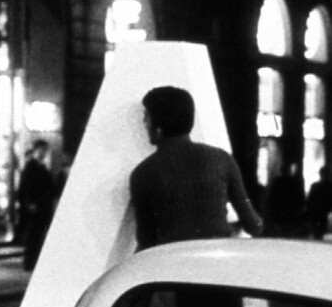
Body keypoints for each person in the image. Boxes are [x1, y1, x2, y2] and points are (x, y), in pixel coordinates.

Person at [130, 85, 263, 251]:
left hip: (171, 264)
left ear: (158, 125)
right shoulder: (222, 159)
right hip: (216, 260)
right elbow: (254, 225)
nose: (144, 122)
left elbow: (146, 240)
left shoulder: (143, 174)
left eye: (147, 116)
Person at [17, 139, 55, 270]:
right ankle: (29, 263)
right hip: (34, 209)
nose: (44, 153)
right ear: (36, 150)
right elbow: (25, 188)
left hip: (42, 208)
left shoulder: (42, 167)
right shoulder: (30, 167)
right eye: (42, 150)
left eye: (45, 150)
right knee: (33, 236)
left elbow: (50, 187)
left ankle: (34, 262)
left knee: (38, 236)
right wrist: (29, 204)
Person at [263, 162, 307, 238]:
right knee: (289, 226)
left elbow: (272, 196)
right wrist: (301, 206)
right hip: (290, 209)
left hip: (280, 208)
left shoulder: (278, 182)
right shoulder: (294, 182)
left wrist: (270, 207)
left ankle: (283, 236)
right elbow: (299, 196)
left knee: (282, 226)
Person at [306, 166, 332, 240]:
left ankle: (317, 235)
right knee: (321, 225)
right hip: (323, 209)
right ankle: (318, 235)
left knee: (316, 226)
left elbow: (310, 199)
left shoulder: (315, 186)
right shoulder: (329, 186)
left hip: (316, 209)